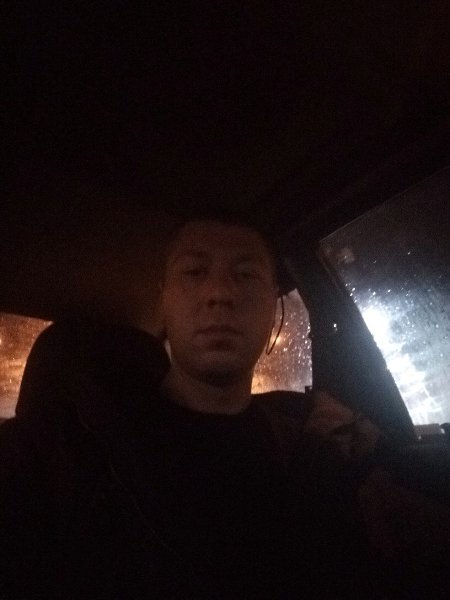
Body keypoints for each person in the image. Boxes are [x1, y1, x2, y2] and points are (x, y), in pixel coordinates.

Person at [0, 213, 448, 599]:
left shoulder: (315, 437)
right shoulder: (73, 448)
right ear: (165, 299)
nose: (220, 293)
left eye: (246, 275)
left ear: (274, 306)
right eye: (195, 272)